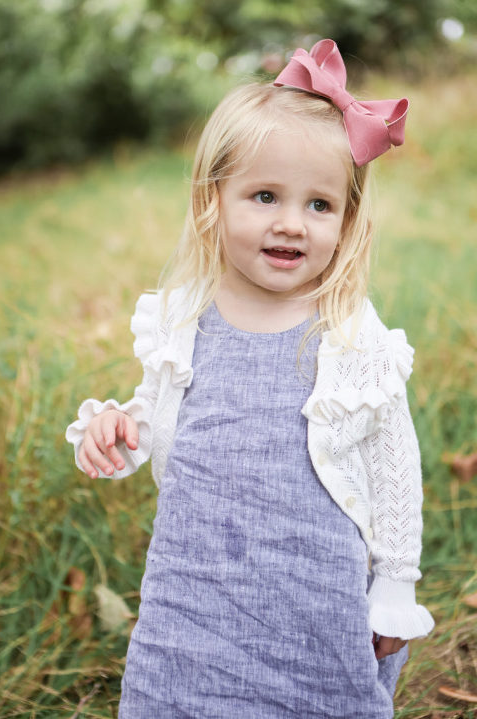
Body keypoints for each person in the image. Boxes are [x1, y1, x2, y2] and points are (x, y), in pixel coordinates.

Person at [66, 38, 434, 719]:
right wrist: (117, 428)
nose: (291, 223)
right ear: (215, 200)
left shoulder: (351, 332)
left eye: (320, 205)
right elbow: (161, 414)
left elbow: (393, 467)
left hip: (313, 599)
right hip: (193, 590)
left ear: (348, 219)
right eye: (265, 196)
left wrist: (394, 587)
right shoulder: (185, 317)